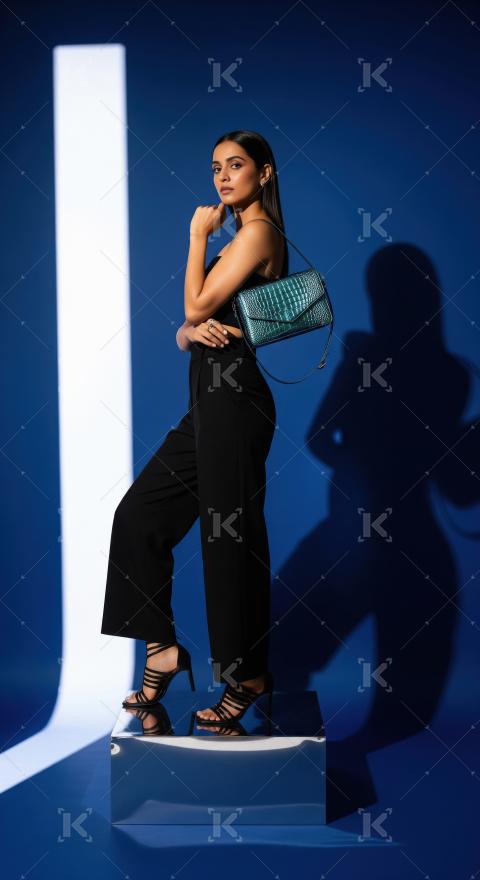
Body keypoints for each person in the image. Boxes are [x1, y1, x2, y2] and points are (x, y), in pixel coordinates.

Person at [100, 129, 288, 725]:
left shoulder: (255, 233)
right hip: (206, 405)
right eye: (215, 167)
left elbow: (192, 307)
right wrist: (192, 330)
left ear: (264, 173)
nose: (223, 177)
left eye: (236, 165)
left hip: (236, 407)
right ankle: (162, 646)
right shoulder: (239, 237)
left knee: (228, 543)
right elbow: (188, 329)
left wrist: (195, 237)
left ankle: (247, 675)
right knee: (138, 517)